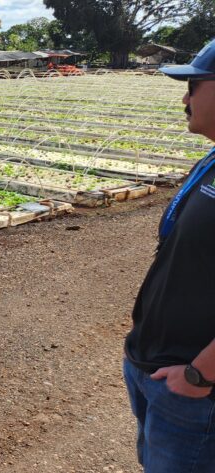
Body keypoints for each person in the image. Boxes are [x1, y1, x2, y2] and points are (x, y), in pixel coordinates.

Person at [124, 38, 215, 472]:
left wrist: (200, 375)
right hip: (157, 367)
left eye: (194, 84)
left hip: (193, 389)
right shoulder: (213, 160)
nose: (184, 97)